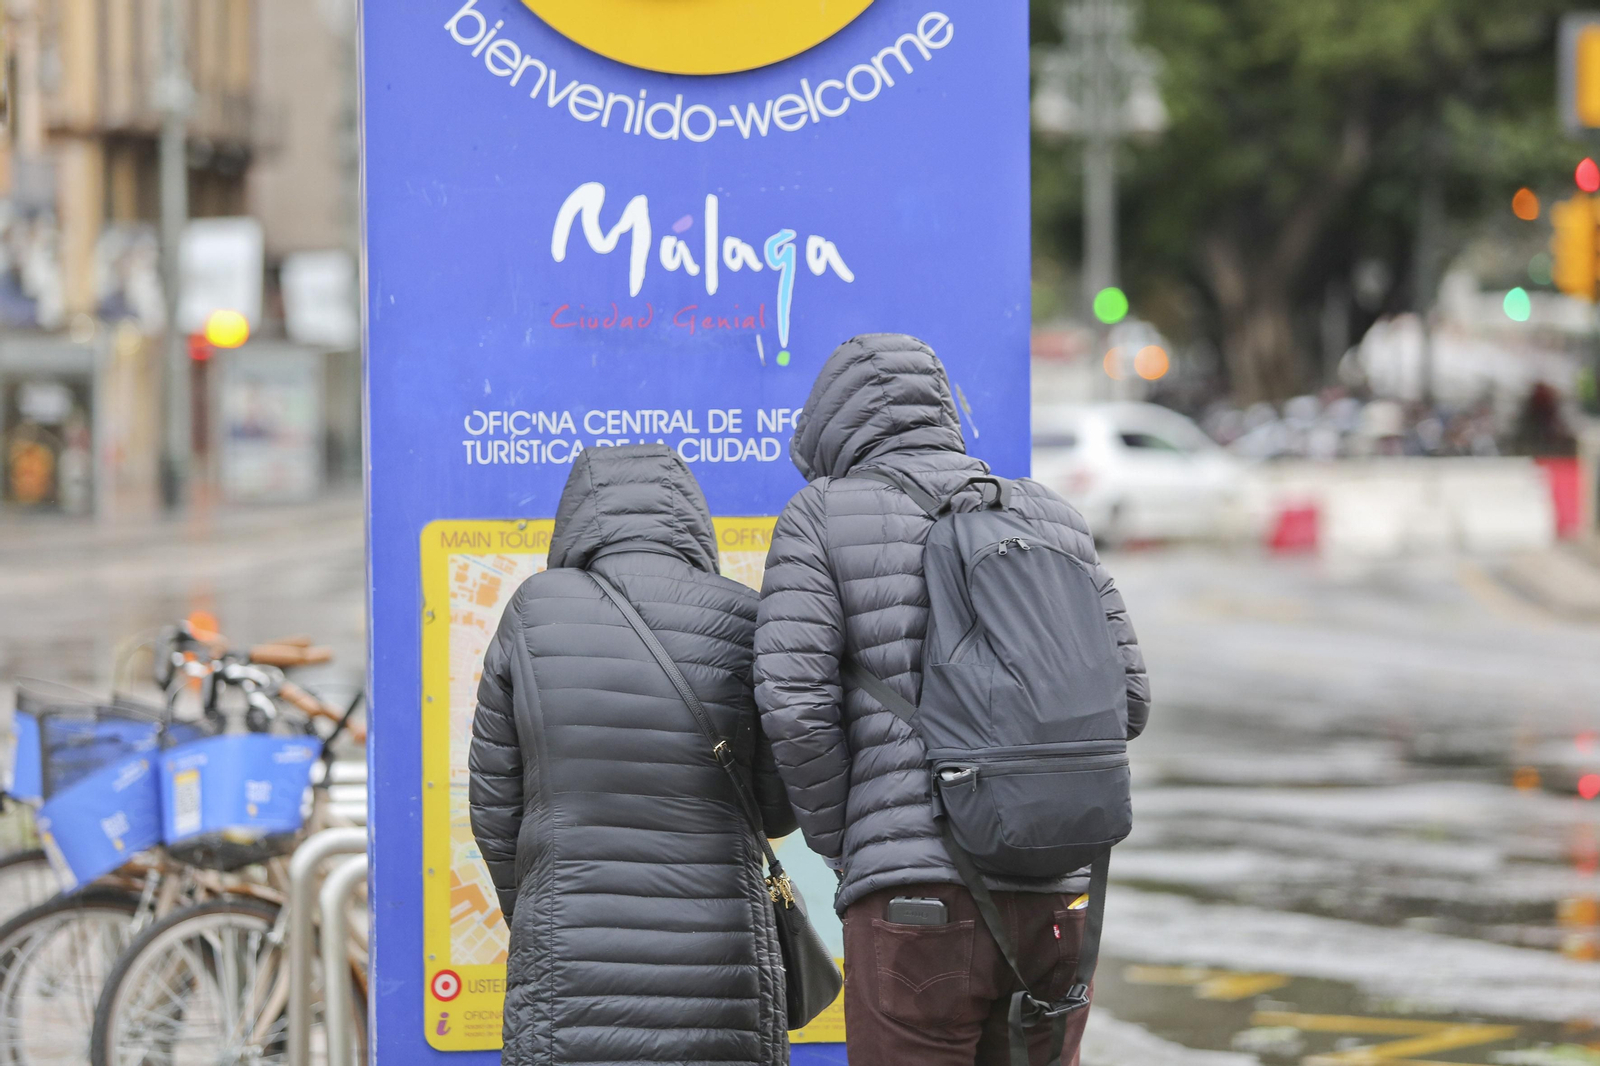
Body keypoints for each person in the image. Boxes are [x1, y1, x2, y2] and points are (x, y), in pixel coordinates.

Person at [754, 334, 1150, 1066]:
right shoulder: (1053, 517)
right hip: (1058, 894)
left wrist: (854, 842)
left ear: (830, 425)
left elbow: (791, 703)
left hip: (913, 903)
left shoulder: (820, 516)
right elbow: (1128, 700)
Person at [469, 443, 798, 1066]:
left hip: (568, 958)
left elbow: (493, 808)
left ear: (575, 519)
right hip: (720, 958)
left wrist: (543, 911)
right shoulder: (744, 616)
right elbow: (778, 808)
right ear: (691, 519)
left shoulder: (533, 610)